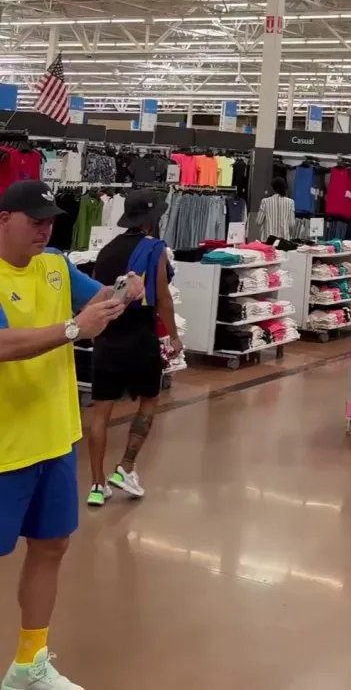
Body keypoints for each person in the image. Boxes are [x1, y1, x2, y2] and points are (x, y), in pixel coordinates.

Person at [0, 180, 140, 690]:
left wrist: (122, 290)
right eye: (34, 220)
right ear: (3, 219)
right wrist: (74, 329)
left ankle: (28, 664)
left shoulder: (56, 265)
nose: (44, 229)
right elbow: (4, 345)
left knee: (51, 546)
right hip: (5, 447)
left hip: (55, 438)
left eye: (50, 221)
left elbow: (95, 299)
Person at [86, 190, 181, 508]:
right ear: (151, 218)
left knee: (101, 412)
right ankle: (126, 467)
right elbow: (163, 297)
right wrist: (174, 336)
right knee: (150, 400)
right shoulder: (155, 248)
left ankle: (96, 485)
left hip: (108, 336)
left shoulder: (106, 251)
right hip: (141, 336)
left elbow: (99, 295)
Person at [254, 176, 296, 242]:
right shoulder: (290, 202)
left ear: (272, 188)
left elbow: (258, 222)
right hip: (284, 241)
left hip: (268, 240)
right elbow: (292, 224)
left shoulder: (265, 201)